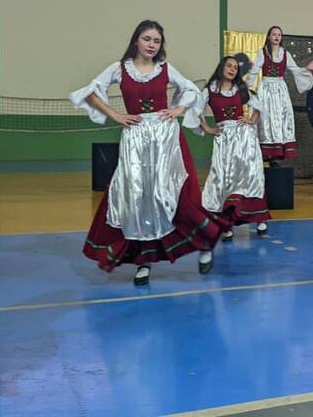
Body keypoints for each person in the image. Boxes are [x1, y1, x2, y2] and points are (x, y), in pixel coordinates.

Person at [71, 20, 222, 284]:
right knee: (137, 198)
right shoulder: (119, 69)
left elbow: (190, 90)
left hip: (164, 137)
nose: (152, 45)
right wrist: (115, 114)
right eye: (147, 39)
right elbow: (91, 91)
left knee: (172, 195)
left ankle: (204, 242)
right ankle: (144, 261)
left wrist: (179, 110)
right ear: (136, 41)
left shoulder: (165, 69)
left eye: (157, 41)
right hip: (135, 137)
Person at [187, 56, 272, 237]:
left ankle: (260, 218)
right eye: (229, 66)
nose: (233, 69)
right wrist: (208, 129)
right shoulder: (209, 90)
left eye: (235, 67)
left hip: (245, 138)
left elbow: (259, 108)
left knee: (250, 176)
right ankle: (227, 222)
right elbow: (194, 112)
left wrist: (251, 121)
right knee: (224, 177)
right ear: (222, 67)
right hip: (224, 138)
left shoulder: (240, 89)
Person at [247, 26, 313, 162]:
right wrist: (244, 89)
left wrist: (307, 68)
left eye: (279, 35)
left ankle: (278, 151)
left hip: (280, 88)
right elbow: (254, 71)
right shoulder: (262, 53)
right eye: (274, 34)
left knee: (282, 117)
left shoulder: (285, 54)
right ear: (269, 37)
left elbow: (295, 70)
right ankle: (267, 151)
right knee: (266, 118)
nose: (276, 37)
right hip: (266, 88)